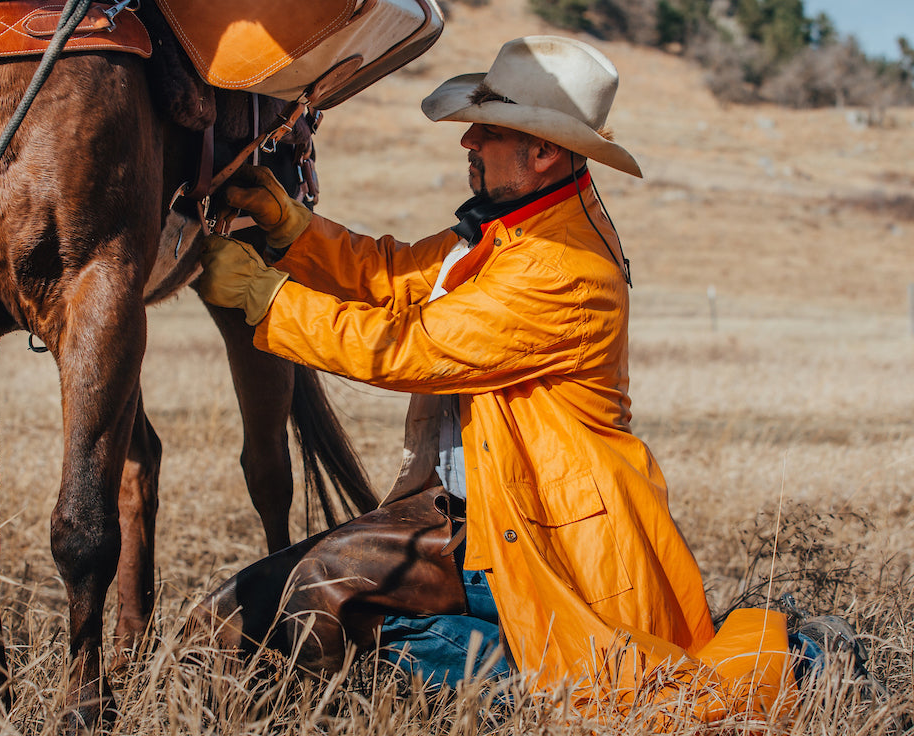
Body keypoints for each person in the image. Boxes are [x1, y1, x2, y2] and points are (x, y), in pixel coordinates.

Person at [188, 36, 805, 718]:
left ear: (541, 152)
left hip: (535, 528)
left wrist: (265, 297)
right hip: (471, 511)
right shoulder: (513, 230)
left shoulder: (559, 268)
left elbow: (408, 347)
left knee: (335, 605)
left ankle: (545, 688)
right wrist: (292, 228)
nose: (468, 142)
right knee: (270, 603)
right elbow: (395, 278)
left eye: (486, 129)